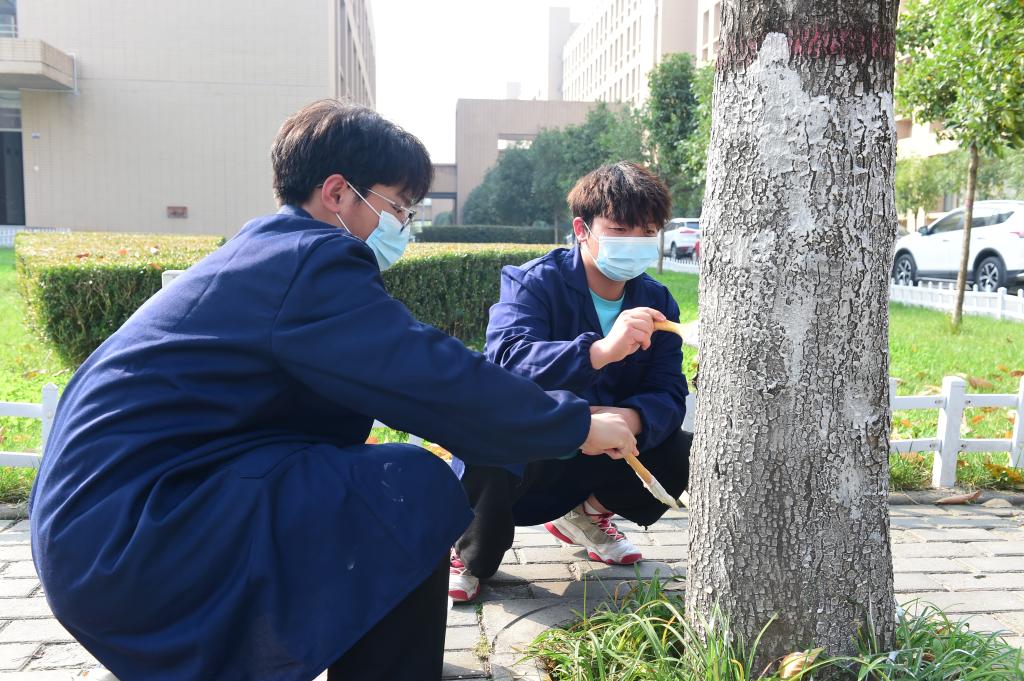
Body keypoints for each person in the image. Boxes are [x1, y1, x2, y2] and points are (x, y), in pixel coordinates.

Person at [28, 101, 637, 681]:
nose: (403, 226)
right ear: (339, 192)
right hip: (136, 535)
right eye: (398, 207)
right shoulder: (309, 263)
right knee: (407, 487)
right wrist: (576, 424)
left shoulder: (270, 251)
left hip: (110, 526)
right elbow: (430, 378)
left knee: (359, 484)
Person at [448, 162, 691, 603]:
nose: (635, 243)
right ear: (582, 229)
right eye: (620, 230)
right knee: (485, 439)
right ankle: (468, 552)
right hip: (531, 454)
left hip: (607, 451)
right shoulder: (533, 283)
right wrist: (600, 352)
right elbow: (507, 360)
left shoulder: (656, 300)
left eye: (647, 232)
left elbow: (669, 390)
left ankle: (587, 515)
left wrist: (633, 419)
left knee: (682, 449)